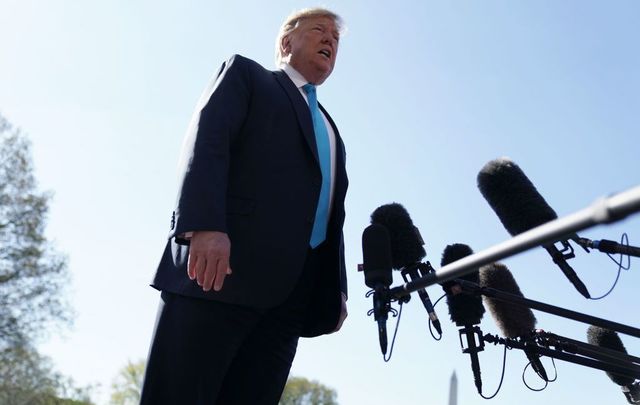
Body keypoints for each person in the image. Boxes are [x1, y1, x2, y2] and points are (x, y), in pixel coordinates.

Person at [140, 7, 348, 405]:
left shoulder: (331, 126)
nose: (329, 41)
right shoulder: (248, 76)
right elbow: (208, 141)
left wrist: (335, 287)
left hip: (289, 301)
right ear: (287, 43)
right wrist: (203, 225)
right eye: (320, 31)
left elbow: (330, 214)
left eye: (335, 40)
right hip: (218, 276)